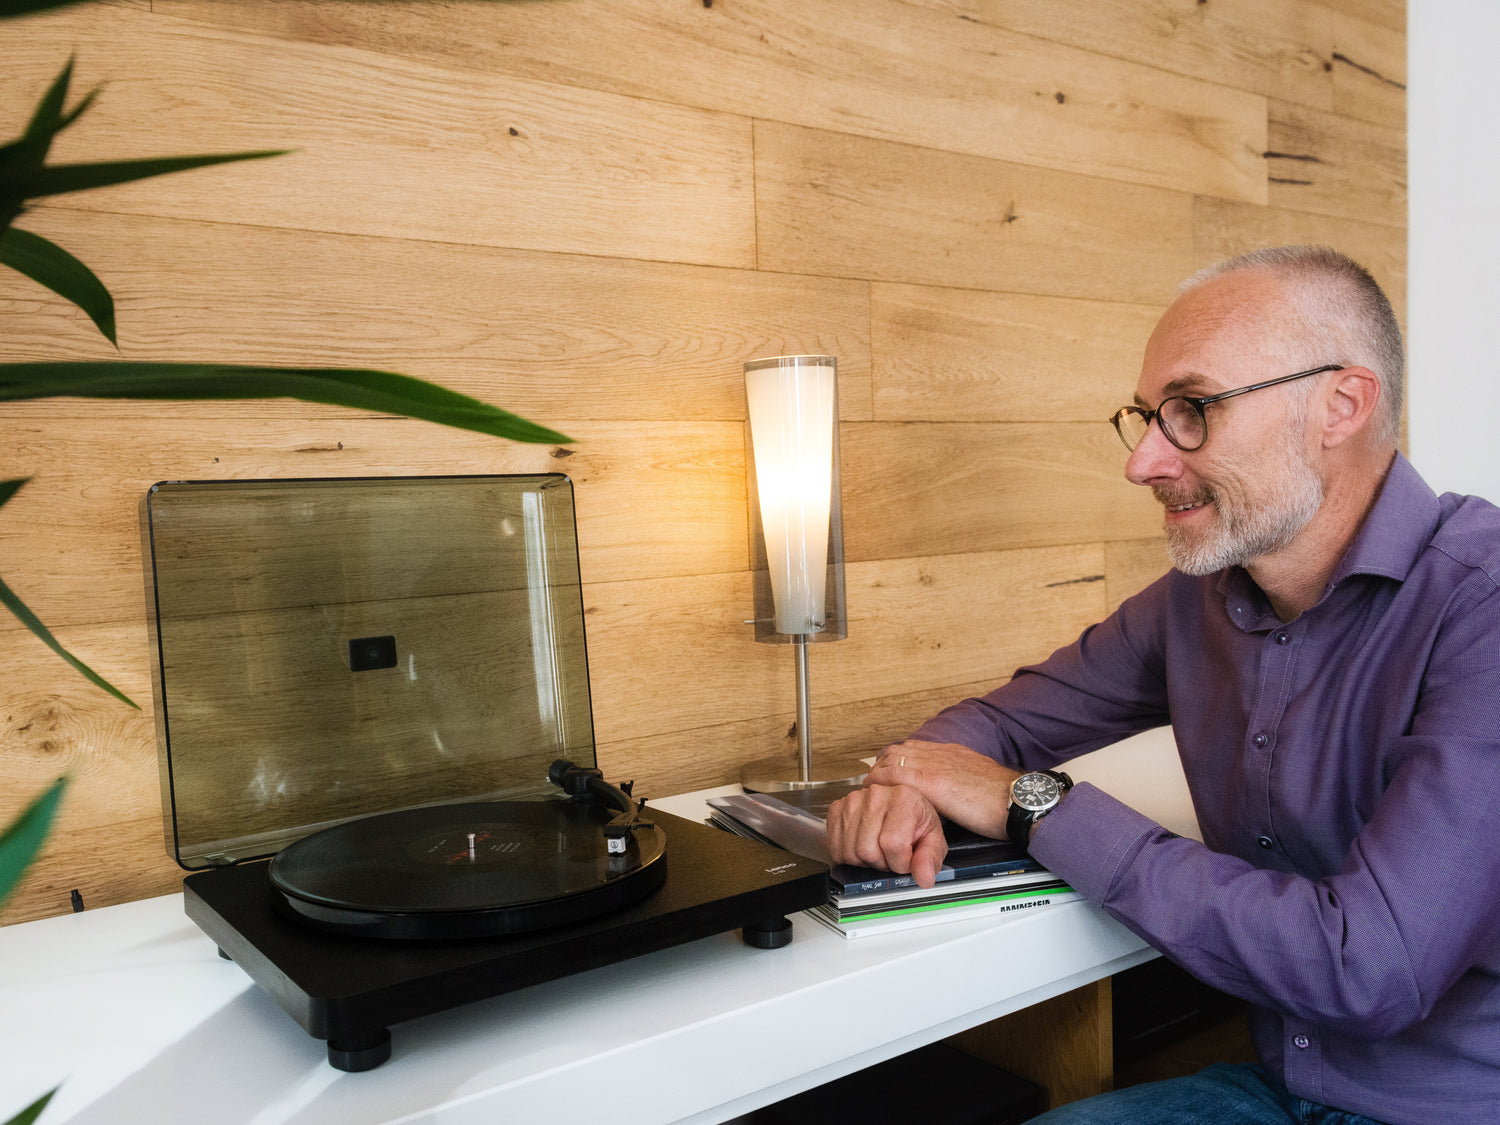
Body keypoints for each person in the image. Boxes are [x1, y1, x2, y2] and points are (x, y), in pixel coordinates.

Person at [825, 246, 1500, 1125]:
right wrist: (907, 779)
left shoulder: (1483, 608)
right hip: (1284, 1088)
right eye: (1146, 416)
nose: (1142, 461)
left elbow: (1367, 966)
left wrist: (1033, 805)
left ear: (1342, 405)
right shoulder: (1197, 601)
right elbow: (1002, 725)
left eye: (1192, 410)